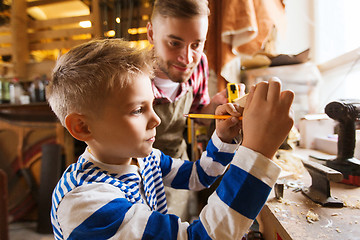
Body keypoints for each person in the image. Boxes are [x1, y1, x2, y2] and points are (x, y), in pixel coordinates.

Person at [48, 38, 294, 239]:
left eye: (152, 105)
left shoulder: (143, 159)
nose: (157, 120)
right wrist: (257, 153)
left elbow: (199, 175)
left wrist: (223, 137)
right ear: (82, 127)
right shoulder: (86, 203)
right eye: (137, 110)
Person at [146, 0, 237, 220]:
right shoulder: (131, 77)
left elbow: (199, 117)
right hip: (140, 179)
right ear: (151, 34)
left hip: (183, 172)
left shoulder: (199, 64)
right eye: (174, 43)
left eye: (196, 44)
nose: (187, 59)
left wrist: (215, 106)